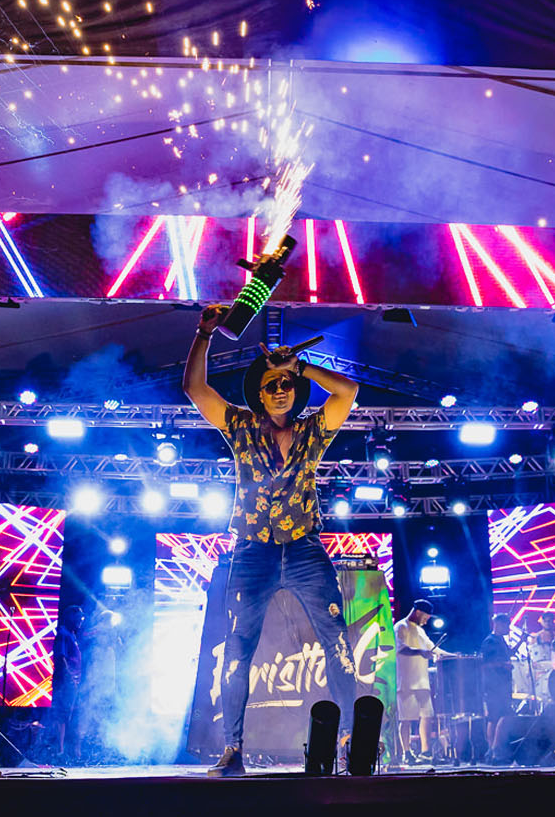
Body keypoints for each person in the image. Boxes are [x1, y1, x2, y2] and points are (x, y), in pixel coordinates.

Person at [183, 302, 361, 778]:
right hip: (252, 551)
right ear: (259, 395)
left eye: (286, 384)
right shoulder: (240, 426)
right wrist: (204, 334)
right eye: (271, 385)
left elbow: (348, 391)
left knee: (336, 641)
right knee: (237, 649)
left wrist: (301, 366)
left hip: (303, 547)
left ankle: (350, 742)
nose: (280, 391)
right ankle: (233, 750)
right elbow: (195, 388)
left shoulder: (311, 431)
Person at [394, 599, 455, 764]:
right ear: (418, 612)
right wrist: (420, 652)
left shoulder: (420, 630)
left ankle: (425, 751)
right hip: (406, 681)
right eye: (426, 617)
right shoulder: (400, 626)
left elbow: (433, 648)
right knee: (406, 719)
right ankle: (406, 753)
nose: (427, 621)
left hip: (422, 681)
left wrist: (452, 656)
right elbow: (401, 648)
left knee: (427, 715)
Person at [49, 605, 83, 763]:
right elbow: (60, 657)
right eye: (78, 618)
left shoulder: (72, 635)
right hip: (65, 682)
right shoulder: (63, 634)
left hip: (72, 681)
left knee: (68, 714)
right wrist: (69, 677)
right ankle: (59, 751)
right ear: (70, 618)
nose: (81, 621)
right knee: (61, 714)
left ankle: (67, 751)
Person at [479, 613, 516, 748]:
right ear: (498, 624)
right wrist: (503, 665)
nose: (509, 628)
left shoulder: (500, 640)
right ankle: (493, 748)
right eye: (507, 625)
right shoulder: (490, 641)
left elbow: (508, 654)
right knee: (495, 717)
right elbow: (484, 664)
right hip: (493, 686)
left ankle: (496, 747)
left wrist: (521, 642)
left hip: (502, 685)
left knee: (502, 715)